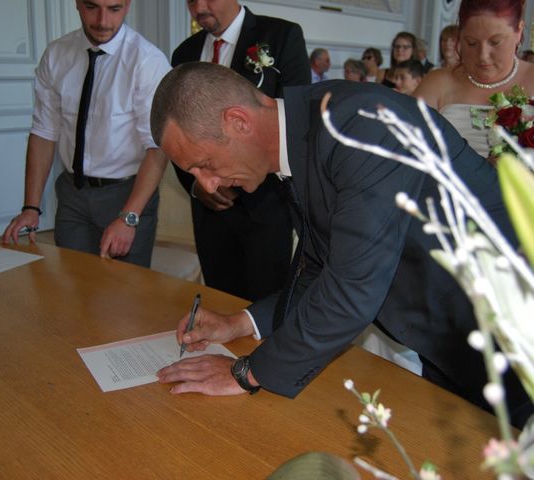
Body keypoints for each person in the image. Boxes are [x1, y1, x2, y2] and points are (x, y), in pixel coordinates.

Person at [151, 62, 531, 428]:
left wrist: (247, 373)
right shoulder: (307, 134)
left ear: (238, 121)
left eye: (205, 164)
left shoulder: (362, 127)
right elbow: (321, 265)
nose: (209, 185)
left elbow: (352, 287)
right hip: (452, 339)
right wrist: (242, 322)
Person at [1, 0, 170, 267]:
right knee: (75, 291)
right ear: (78, 3)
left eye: (114, 9)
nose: (103, 21)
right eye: (92, 7)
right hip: (72, 195)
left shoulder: (147, 61)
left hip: (125, 194)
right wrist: (30, 207)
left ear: (127, 6)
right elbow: (44, 133)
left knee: (126, 297)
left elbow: (157, 147)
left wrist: (129, 217)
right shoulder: (57, 54)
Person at [170, 0, 310, 300]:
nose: (199, 7)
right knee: (220, 303)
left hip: (266, 206)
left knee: (265, 305)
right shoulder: (185, 53)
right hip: (211, 212)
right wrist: (196, 185)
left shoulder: (281, 36)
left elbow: (295, 123)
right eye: (191, 0)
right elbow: (175, 132)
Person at [414, 0, 534, 160]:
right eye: (471, 43)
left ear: (518, 31)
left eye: (495, 42)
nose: (483, 55)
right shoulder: (437, 83)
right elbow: (406, 152)